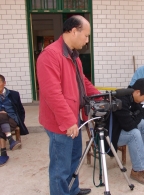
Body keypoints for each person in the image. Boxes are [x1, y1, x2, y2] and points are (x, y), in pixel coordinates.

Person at [36, 15, 100, 195]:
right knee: (60, 167)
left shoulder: (73, 56)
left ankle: (72, 190)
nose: (87, 40)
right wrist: (68, 121)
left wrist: (100, 96)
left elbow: (83, 82)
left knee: (74, 159)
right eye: (86, 35)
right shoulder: (50, 55)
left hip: (74, 117)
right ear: (74, 31)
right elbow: (51, 94)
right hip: (61, 123)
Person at [108, 78, 144, 185]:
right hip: (112, 135)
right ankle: (137, 171)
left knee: (143, 123)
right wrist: (134, 117)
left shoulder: (133, 97)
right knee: (134, 134)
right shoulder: (121, 100)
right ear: (137, 92)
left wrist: (133, 118)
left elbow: (140, 114)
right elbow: (129, 126)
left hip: (121, 128)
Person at [0, 74, 29, 166]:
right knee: (1, 116)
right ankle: (10, 140)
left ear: (4, 83)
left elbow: (21, 110)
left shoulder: (14, 94)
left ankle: (4, 154)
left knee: (2, 117)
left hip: (12, 119)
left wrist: (20, 121)